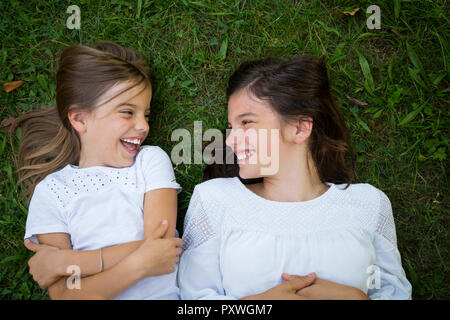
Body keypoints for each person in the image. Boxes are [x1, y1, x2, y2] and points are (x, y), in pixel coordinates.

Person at [178, 55, 412, 300]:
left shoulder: (368, 204)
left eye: (246, 122)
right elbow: (193, 299)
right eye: (231, 126)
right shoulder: (215, 199)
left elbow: (395, 293)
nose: (229, 140)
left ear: (300, 128)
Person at [10, 42, 183, 299]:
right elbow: (66, 296)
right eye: (127, 112)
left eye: (146, 114)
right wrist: (138, 264)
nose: (143, 125)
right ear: (80, 119)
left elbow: (162, 249)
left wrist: (64, 262)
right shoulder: (52, 191)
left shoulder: (150, 161)